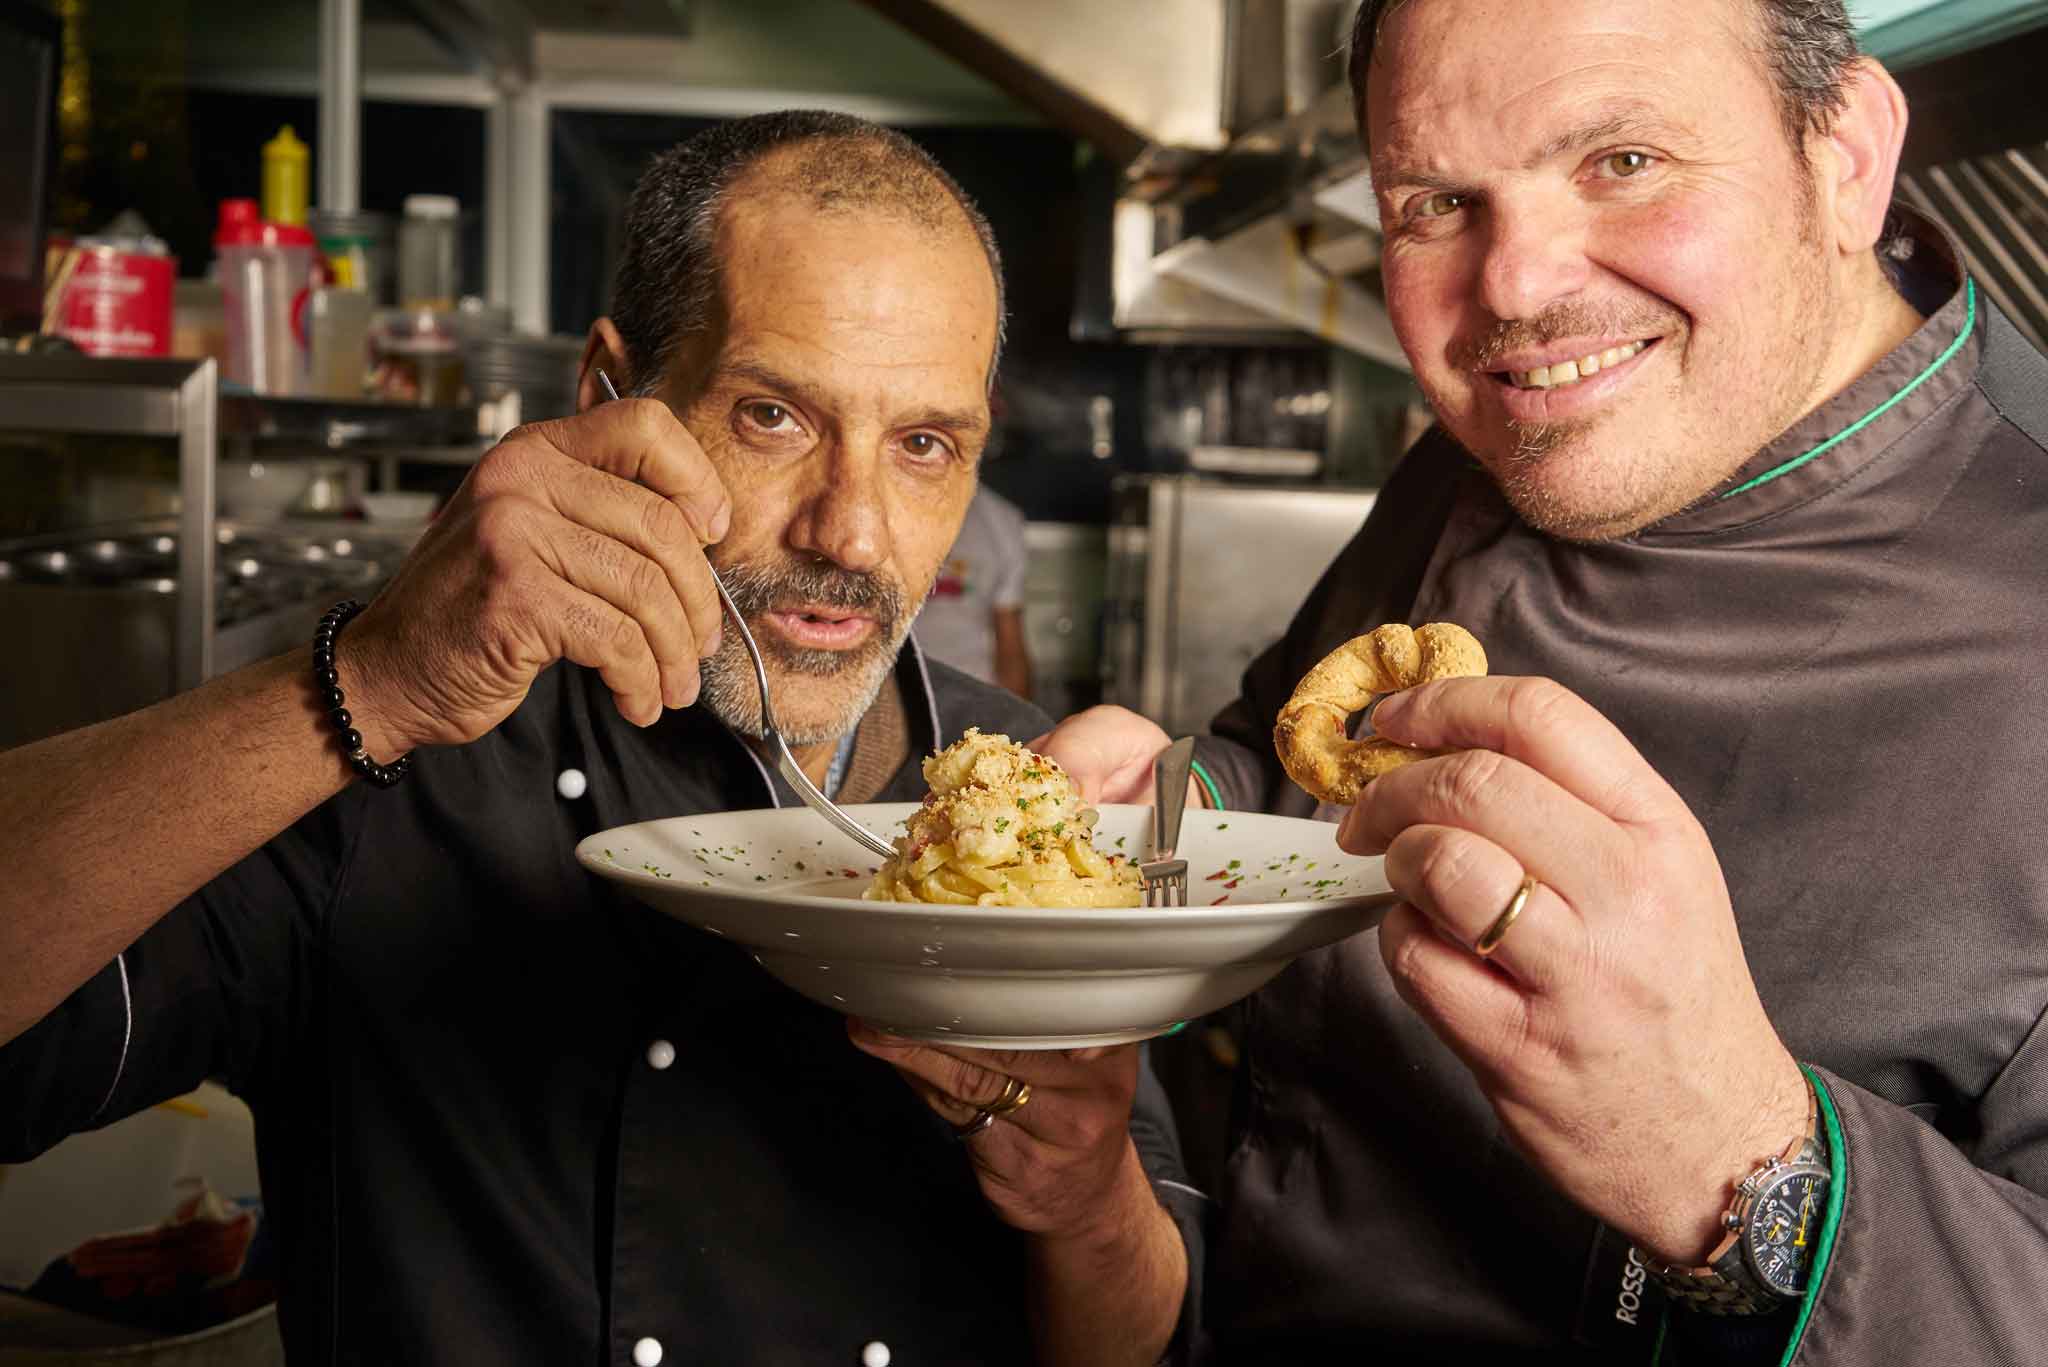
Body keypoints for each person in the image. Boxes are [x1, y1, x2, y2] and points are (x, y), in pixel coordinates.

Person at [0, 112, 1194, 1366]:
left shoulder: (1030, 810)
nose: (850, 532)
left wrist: (1088, 1204)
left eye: (922, 445)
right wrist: (372, 681)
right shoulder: (385, 743)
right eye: (774, 415)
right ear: (609, 393)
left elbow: (1140, 1341)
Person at [1039, 0, 2048, 1361]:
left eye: (1621, 159)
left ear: (1847, 155)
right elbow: (1300, 773)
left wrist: (1751, 1167)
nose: (1512, 286)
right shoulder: (1498, 441)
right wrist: (1163, 801)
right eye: (1436, 200)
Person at [914, 482, 1034, 699]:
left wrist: (1019, 724)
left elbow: (1010, 642)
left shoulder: (1001, 520)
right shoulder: (893, 506)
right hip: (899, 698)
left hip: (974, 699)